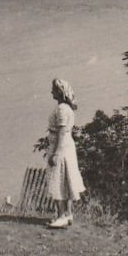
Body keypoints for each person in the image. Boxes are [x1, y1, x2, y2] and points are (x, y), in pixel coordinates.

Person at [44, 77, 85, 229]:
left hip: (60, 147)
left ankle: (61, 215)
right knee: (66, 180)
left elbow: (61, 132)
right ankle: (68, 214)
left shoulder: (61, 109)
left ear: (59, 92)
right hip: (67, 146)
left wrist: (55, 153)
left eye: (53, 90)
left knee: (57, 180)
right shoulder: (67, 108)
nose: (51, 92)